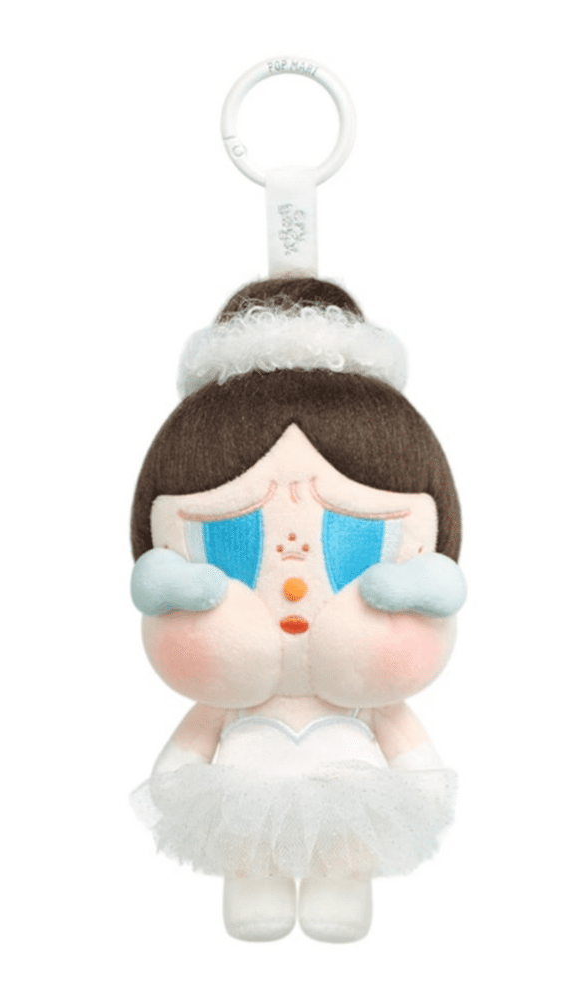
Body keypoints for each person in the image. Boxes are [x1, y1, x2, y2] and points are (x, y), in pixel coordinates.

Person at [130, 277, 466, 942]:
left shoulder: (370, 702)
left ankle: (339, 891)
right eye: (228, 544)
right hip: (242, 801)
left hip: (350, 801)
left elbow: (415, 763)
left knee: (345, 857)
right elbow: (185, 759)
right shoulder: (227, 702)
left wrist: (424, 793)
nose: (291, 590)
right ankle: (255, 890)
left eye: (359, 544)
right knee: (249, 858)